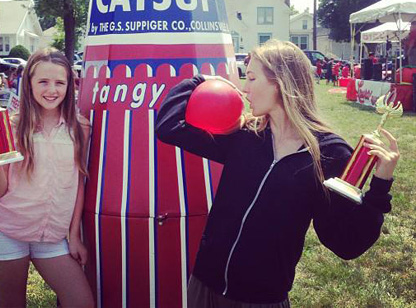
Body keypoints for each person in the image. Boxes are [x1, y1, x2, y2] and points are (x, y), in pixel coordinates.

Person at [156, 39, 400, 307]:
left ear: (280, 82)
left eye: (251, 78)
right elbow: (169, 126)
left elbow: (345, 243)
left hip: (261, 298)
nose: (244, 89)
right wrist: (200, 80)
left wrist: (379, 187)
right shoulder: (246, 136)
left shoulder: (329, 154)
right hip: (204, 285)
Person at [0, 48, 94, 308]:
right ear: (28, 84)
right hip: (7, 230)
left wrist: (74, 235)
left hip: (53, 236)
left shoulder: (80, 126)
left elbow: (78, 184)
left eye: (59, 82)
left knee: (82, 302)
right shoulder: (11, 126)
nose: (51, 89)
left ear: (69, 85)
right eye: (43, 81)